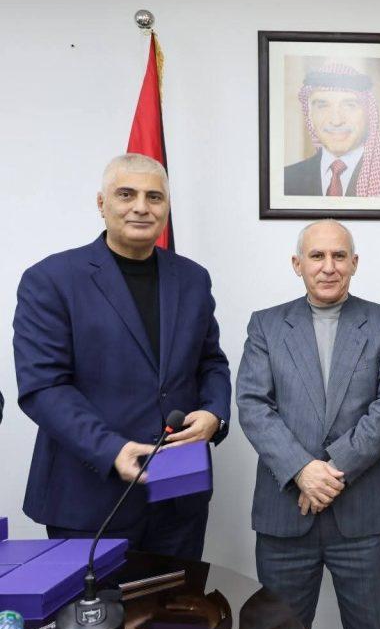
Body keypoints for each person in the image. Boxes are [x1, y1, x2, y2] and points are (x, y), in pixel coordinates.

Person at [13, 153, 230, 559]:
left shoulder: (192, 278)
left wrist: (214, 413)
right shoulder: (51, 279)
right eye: (126, 194)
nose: (141, 207)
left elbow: (210, 362)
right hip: (89, 496)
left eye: (154, 197)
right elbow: (44, 387)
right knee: (95, 603)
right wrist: (111, 449)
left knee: (177, 601)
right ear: (102, 203)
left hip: (179, 495)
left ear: (166, 207)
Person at [236, 220, 380, 629]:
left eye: (339, 256)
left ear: (354, 263)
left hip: (363, 520)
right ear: (297, 264)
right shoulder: (266, 325)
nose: (328, 266)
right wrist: (301, 470)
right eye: (317, 256)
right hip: (284, 518)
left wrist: (329, 471)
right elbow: (253, 405)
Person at [284, 63, 380, 197]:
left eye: (350, 105)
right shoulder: (286, 179)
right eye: (322, 106)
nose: (336, 121)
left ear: (368, 113)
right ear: (310, 115)